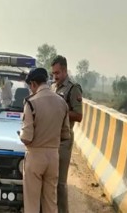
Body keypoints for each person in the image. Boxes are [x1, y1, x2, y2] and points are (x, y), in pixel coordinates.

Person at [20, 67, 70, 213]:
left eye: (30, 86)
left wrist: (21, 134)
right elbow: (66, 134)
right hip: (54, 156)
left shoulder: (30, 103)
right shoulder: (61, 102)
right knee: (50, 202)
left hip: (35, 156)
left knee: (32, 203)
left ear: (34, 84)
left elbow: (27, 138)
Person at [51, 55, 83, 213]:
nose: (55, 76)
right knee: (50, 180)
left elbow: (79, 116)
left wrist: (61, 110)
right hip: (50, 139)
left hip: (64, 140)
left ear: (64, 71)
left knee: (60, 183)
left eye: (57, 73)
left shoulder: (73, 88)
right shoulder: (52, 88)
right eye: (53, 74)